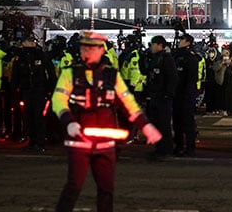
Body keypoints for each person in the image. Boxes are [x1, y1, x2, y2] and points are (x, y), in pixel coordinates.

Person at [52, 31, 161, 212]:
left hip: (105, 144)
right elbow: (58, 100)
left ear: (102, 50)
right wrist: (69, 121)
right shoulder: (70, 74)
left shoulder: (112, 76)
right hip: (79, 141)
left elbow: (129, 104)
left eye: (92, 48)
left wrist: (146, 125)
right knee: (74, 186)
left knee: (106, 190)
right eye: (84, 48)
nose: (87, 52)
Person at [12, 33, 57, 152]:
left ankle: (40, 142)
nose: (31, 42)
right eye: (28, 40)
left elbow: (50, 72)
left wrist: (51, 88)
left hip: (39, 89)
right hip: (27, 89)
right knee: (29, 116)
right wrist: (15, 89)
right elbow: (15, 75)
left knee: (38, 116)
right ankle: (32, 142)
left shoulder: (41, 55)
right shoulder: (20, 57)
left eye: (32, 40)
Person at [143, 35, 177, 159]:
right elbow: (146, 72)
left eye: (153, 44)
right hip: (153, 95)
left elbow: (172, 78)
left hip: (162, 96)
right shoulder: (153, 58)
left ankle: (166, 149)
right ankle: (159, 148)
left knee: (164, 124)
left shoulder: (166, 59)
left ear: (159, 45)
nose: (151, 47)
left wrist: (168, 94)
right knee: (155, 123)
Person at [171, 33, 200, 157]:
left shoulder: (190, 57)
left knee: (187, 121)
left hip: (186, 94)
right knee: (177, 122)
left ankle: (190, 147)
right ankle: (179, 145)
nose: (179, 41)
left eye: (182, 40)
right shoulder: (176, 55)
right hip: (177, 93)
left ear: (188, 42)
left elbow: (191, 78)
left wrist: (188, 93)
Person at [213, 47, 232, 116]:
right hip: (223, 80)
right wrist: (222, 63)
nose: (226, 56)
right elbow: (215, 68)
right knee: (224, 96)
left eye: (227, 54)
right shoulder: (219, 62)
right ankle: (224, 109)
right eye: (224, 54)